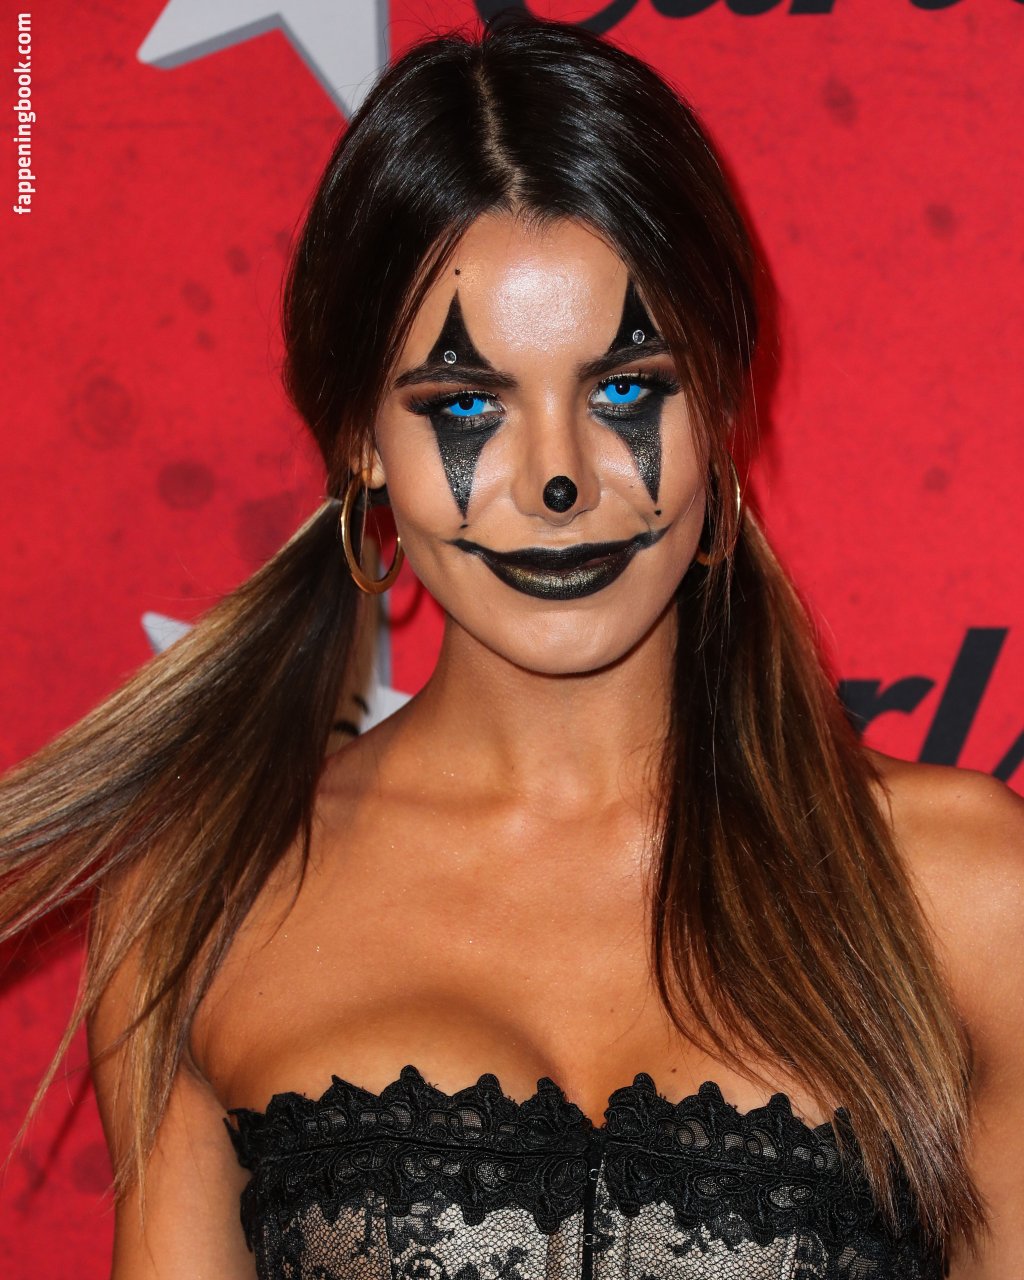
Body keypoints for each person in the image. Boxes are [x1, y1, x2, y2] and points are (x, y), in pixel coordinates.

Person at [1, 15, 1021, 1279]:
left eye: (626, 386)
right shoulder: (205, 901)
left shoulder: (969, 893)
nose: (556, 476)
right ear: (360, 437)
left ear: (720, 398)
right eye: (466, 403)